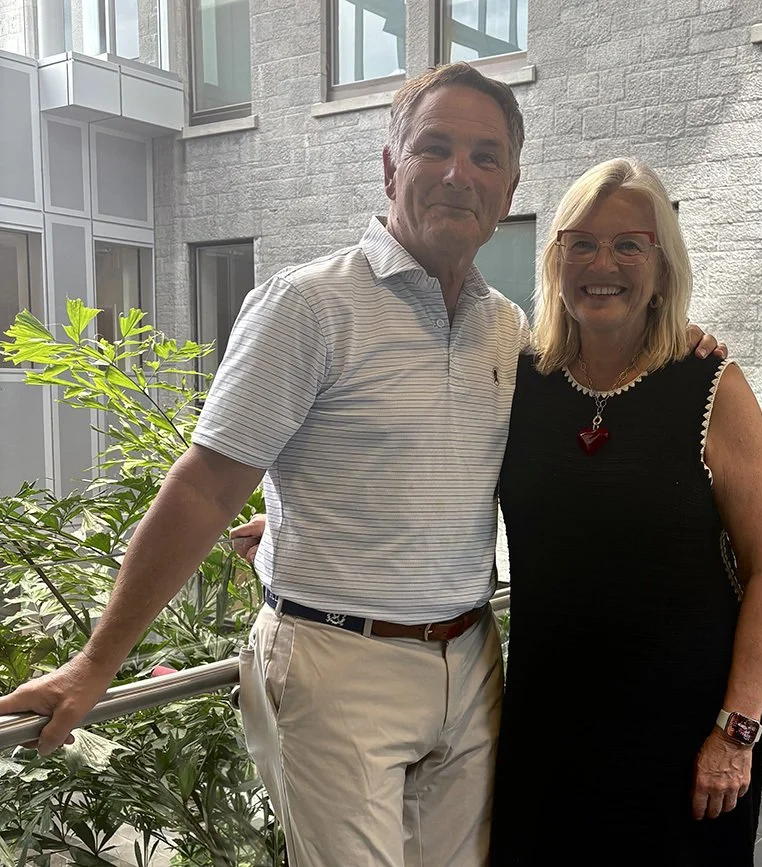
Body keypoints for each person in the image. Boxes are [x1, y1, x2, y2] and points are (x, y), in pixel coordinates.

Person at [0, 66, 723, 867]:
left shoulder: (505, 328)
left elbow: (454, 462)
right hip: (338, 667)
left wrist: (682, 343)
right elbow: (204, 486)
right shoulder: (309, 304)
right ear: (390, 165)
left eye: (486, 157)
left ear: (511, 184)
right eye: (435, 147)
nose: (460, 173)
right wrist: (96, 664)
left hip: (471, 661)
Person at [487, 159, 762, 866]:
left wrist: (736, 731)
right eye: (583, 242)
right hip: (547, 733)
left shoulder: (712, 384)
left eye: (631, 243)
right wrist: (302, 526)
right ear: (557, 257)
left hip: (689, 748)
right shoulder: (522, 382)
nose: (604, 263)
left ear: (662, 264)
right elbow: (431, 472)